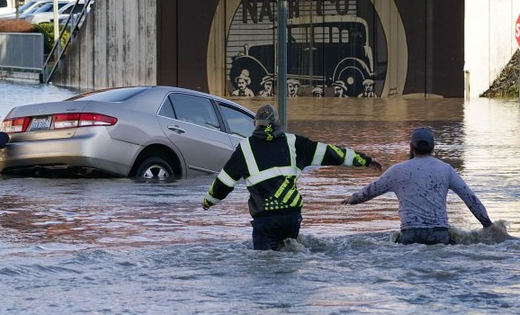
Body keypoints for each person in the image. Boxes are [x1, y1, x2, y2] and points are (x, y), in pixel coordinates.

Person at [203, 104, 382, 250]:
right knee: (291, 255)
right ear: (278, 123)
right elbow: (331, 153)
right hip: (292, 217)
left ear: (254, 123)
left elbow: (224, 182)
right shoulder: (293, 142)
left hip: (265, 219)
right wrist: (364, 160)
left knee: (264, 266)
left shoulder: (245, 148)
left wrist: (208, 202)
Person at [342, 127, 496, 245]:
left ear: (411, 147)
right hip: (440, 234)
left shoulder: (397, 171)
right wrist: (488, 225)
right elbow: (470, 199)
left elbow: (368, 192)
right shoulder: (446, 169)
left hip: (410, 235)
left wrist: (350, 200)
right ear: (433, 147)